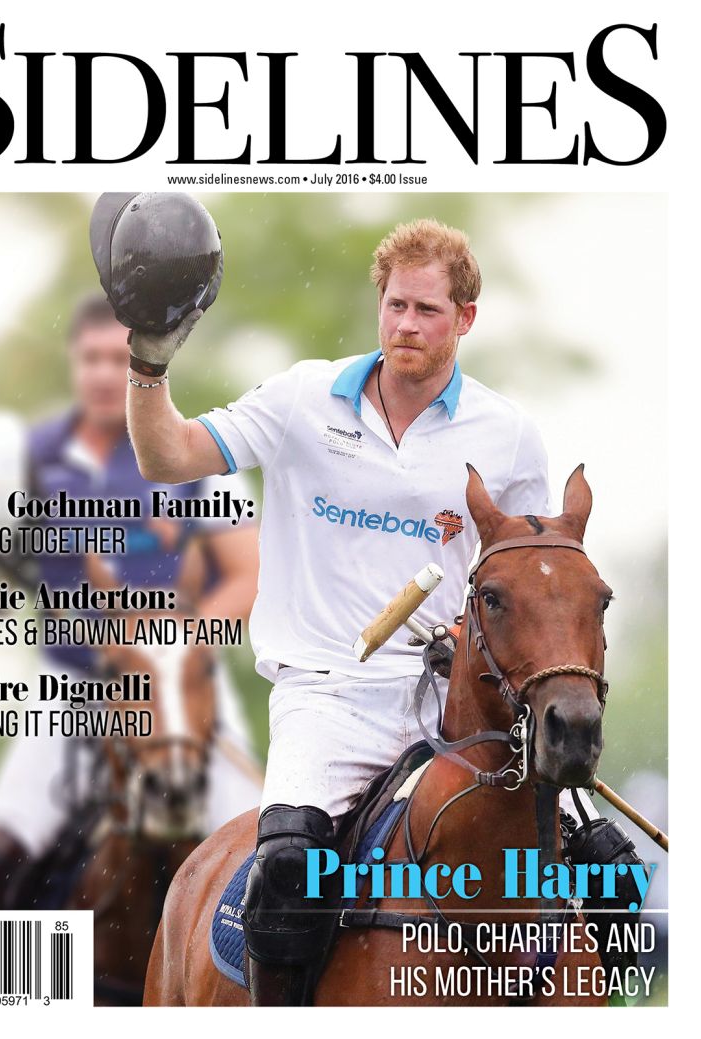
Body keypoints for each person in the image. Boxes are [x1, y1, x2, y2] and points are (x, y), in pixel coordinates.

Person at [125, 217, 642, 1004]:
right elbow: (169, 455)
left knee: (610, 880)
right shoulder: (303, 399)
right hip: (325, 697)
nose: (406, 324)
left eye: (427, 310)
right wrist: (150, 362)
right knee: (289, 875)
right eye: (396, 305)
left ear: (465, 318)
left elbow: (529, 579)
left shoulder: (508, 435)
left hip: (456, 702)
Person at [0, 295, 263, 908]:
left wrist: (171, 648)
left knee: (255, 854)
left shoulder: (197, 453)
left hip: (179, 685)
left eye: (116, 360)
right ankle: (11, 968)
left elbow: (246, 574)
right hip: (71, 683)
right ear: (73, 361)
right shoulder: (27, 459)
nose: (100, 374)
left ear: (143, 365)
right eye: (89, 358)